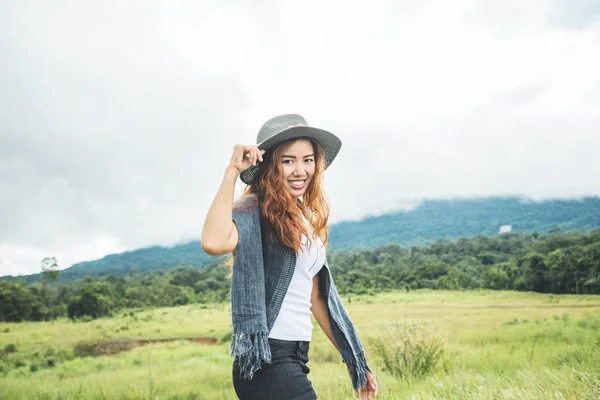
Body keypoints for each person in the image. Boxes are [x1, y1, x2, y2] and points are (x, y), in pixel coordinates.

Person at [201, 114, 378, 400]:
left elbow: (317, 299)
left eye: (307, 160)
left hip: (294, 357)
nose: (300, 170)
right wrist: (232, 172)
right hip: (268, 359)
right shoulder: (253, 210)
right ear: (270, 165)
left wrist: (352, 360)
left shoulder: (304, 219)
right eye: (288, 160)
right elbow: (213, 242)